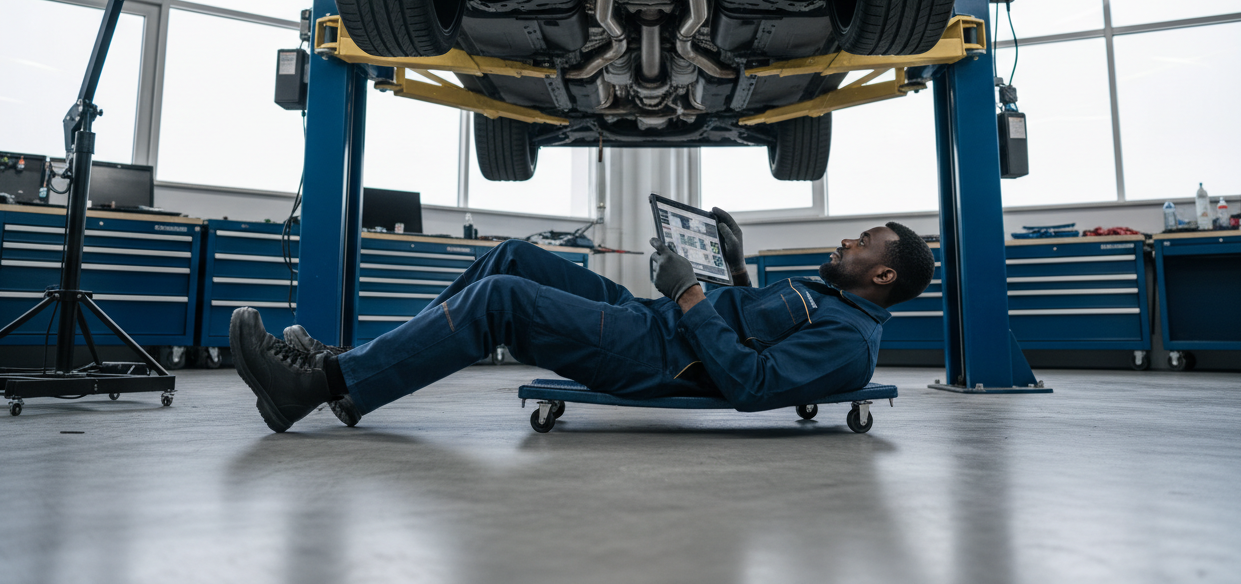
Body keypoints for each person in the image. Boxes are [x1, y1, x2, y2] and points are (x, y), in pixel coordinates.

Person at [229, 209, 935, 433]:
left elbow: (749, 383)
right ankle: (356, 371)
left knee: (499, 298)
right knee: (512, 254)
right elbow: (756, 326)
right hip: (654, 320)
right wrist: (734, 264)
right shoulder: (833, 301)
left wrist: (690, 296)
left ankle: (315, 386)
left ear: (883, 275)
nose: (846, 242)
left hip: (656, 355)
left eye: (862, 243)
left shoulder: (851, 348)